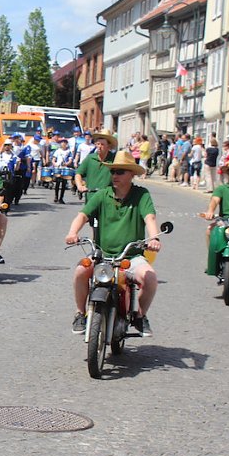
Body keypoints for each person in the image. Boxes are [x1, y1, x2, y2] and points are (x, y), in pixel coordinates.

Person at [65, 152, 162, 337]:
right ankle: (80, 314)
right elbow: (83, 215)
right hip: (102, 255)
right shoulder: (102, 195)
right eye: (113, 172)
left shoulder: (141, 195)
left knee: (150, 278)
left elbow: (149, 217)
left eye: (120, 172)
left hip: (131, 256)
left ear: (132, 174)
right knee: (80, 271)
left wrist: (154, 238)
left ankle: (140, 316)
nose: (115, 175)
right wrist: (72, 233)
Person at [52, 138, 74, 204]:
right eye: (62, 142)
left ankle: (61, 198)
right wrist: (55, 164)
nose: (63, 144)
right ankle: (56, 196)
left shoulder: (69, 151)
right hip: (58, 168)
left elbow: (70, 160)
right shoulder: (57, 151)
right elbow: (53, 159)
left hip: (65, 169)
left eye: (65, 142)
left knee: (64, 184)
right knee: (57, 183)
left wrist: (66, 164)